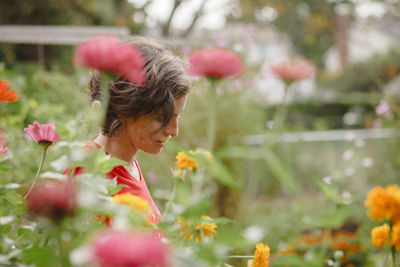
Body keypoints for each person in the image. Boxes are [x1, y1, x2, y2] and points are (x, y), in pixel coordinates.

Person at [87, 36, 192, 224]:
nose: (174, 131)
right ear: (126, 107)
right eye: (162, 118)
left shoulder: (127, 163)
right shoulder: (88, 177)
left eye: (178, 116)